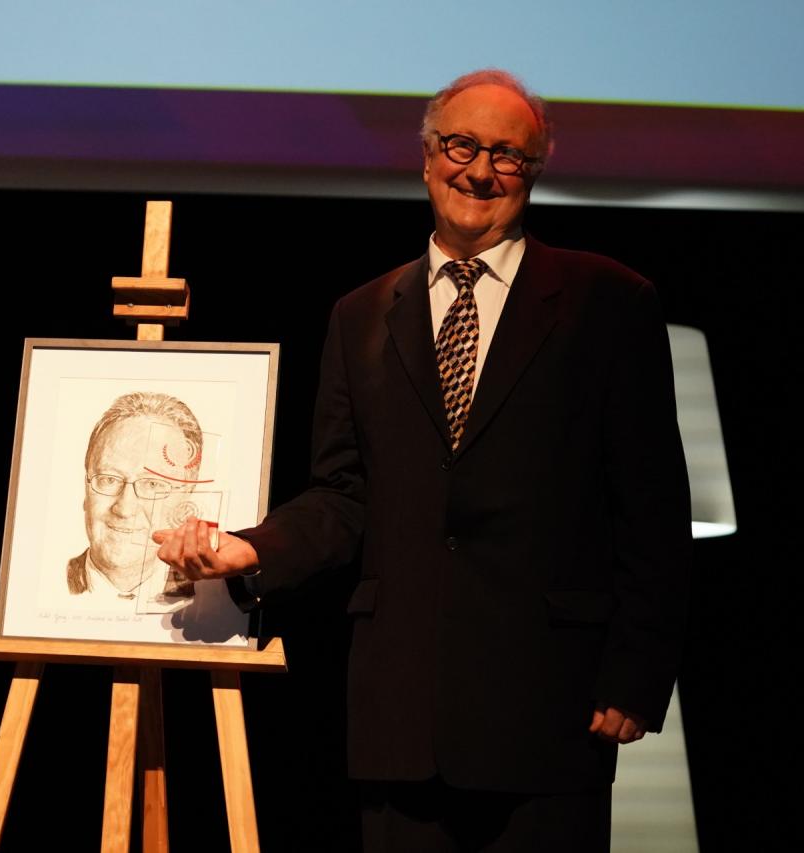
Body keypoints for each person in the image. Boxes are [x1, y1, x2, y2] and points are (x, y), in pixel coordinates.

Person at [154, 70, 691, 851]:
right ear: (428, 156)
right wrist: (253, 547)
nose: (479, 170)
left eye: (507, 155)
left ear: (534, 170)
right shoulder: (361, 314)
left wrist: (636, 673)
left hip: (548, 712)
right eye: (462, 145)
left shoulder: (609, 303)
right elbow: (342, 496)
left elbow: (652, 509)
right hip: (402, 717)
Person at [69, 391, 204, 603]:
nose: (124, 509)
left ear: (186, 501)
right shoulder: (43, 582)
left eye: (152, 484)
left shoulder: (210, 598)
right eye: (109, 479)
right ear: (86, 490)